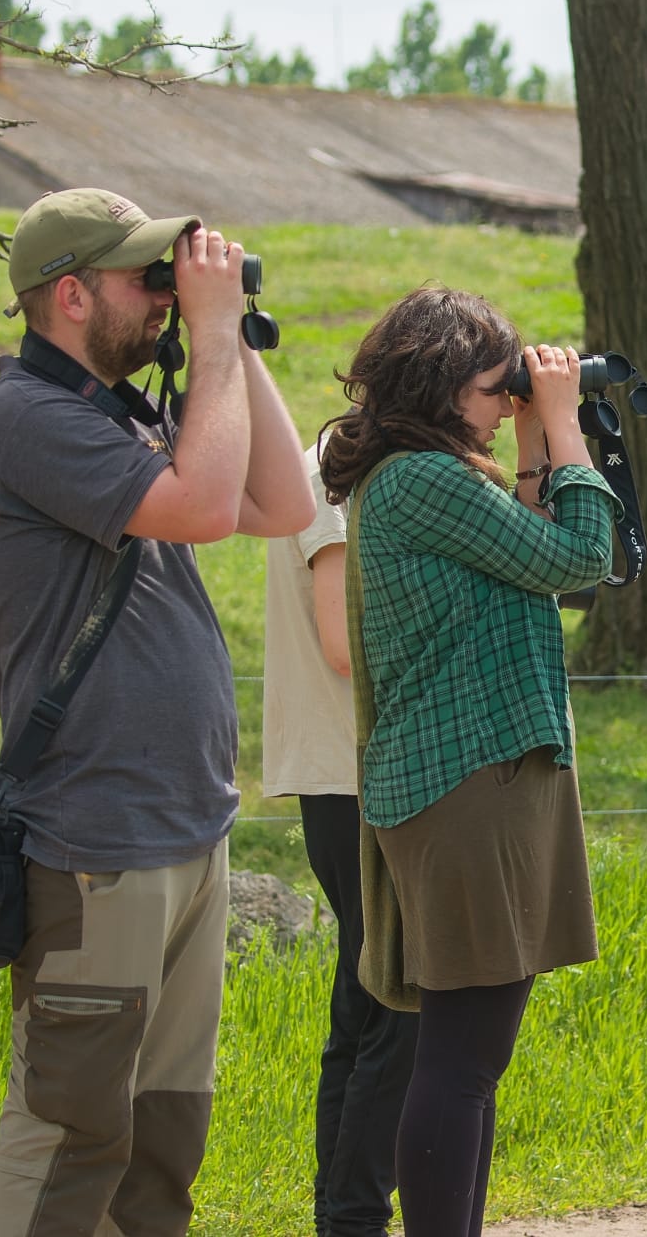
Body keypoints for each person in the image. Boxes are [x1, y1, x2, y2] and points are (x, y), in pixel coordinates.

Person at [0, 186, 313, 1237]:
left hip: (186, 831)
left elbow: (279, 505)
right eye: (142, 277)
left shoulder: (126, 412)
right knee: (70, 1135)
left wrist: (229, 338)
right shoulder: (25, 420)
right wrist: (201, 334)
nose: (162, 294)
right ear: (69, 295)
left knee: (159, 1147)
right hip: (97, 840)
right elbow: (204, 508)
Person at [317, 285, 619, 1237]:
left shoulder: (432, 475)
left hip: (478, 779)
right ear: (443, 384)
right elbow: (580, 557)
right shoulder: (422, 480)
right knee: (457, 1062)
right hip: (466, 786)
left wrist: (534, 441)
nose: (507, 401)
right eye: (498, 387)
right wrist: (567, 425)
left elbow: (531, 553)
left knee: (470, 1063)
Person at [263, 432, 419, 1237]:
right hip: (350, 771)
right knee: (399, 1002)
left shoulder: (348, 458)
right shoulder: (341, 468)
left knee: (366, 1002)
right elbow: (340, 640)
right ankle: (355, 1214)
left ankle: (343, 1212)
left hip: (348, 769)